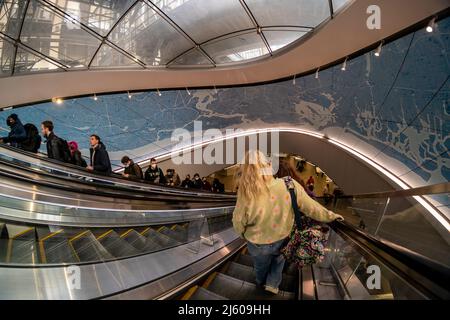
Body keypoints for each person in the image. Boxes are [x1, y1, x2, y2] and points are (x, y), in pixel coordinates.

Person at [232, 152, 343, 295]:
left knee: (260, 267)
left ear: (246, 169)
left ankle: (260, 282)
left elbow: (239, 220)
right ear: (268, 166)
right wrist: (331, 216)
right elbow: (311, 207)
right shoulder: (289, 184)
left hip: (257, 243)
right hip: (283, 239)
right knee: (278, 262)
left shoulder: (246, 192)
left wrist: (241, 233)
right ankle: (273, 285)